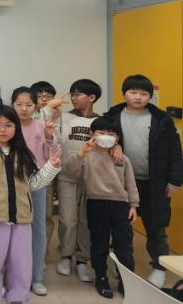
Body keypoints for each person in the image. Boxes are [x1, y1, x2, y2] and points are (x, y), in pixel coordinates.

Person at [0, 105, 61, 304]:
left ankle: (19, 295)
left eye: (8, 125)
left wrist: (51, 168)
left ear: (16, 127)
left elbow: (34, 184)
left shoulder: (24, 153)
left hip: (22, 219)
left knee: (21, 262)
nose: (2, 129)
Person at [105, 74, 183, 288]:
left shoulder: (162, 119)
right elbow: (101, 142)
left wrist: (175, 181)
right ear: (124, 94)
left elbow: (176, 152)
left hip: (154, 184)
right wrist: (114, 145)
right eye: (133, 92)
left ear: (150, 96)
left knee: (156, 228)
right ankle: (123, 265)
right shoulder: (112, 116)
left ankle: (159, 267)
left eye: (144, 93)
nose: (138, 97)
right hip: (122, 182)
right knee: (122, 227)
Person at [65, 116, 139, 299]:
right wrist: (81, 153)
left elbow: (130, 184)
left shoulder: (122, 158)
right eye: (101, 133)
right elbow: (71, 171)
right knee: (99, 244)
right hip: (96, 203)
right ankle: (101, 277)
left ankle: (126, 280)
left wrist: (133, 205)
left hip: (121, 205)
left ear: (117, 138)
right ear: (92, 135)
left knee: (124, 246)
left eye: (111, 134)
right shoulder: (87, 156)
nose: (106, 136)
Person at [11, 87, 58, 296]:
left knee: (37, 228)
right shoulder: (8, 125)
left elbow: (53, 156)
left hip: (37, 182)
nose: (24, 108)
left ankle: (36, 276)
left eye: (28, 105)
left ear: (36, 106)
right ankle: (13, 276)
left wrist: (49, 137)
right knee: (12, 230)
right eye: (19, 104)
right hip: (11, 182)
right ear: (12, 105)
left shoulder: (42, 125)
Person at [56, 79, 101, 282]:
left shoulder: (101, 121)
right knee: (68, 218)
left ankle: (82, 259)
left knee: (86, 220)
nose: (73, 98)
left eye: (78, 94)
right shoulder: (64, 118)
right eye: (72, 94)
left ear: (91, 97)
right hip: (66, 175)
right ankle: (65, 256)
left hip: (91, 178)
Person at [30, 80, 63, 253]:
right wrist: (48, 109)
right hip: (29, 170)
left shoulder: (59, 116)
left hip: (50, 169)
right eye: (40, 96)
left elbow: (59, 143)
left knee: (46, 214)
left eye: (48, 96)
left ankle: (41, 252)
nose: (44, 99)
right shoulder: (31, 115)